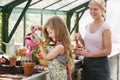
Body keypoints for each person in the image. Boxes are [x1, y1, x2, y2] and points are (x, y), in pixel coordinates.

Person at [74, 0, 112, 80]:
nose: (92, 11)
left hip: (100, 65)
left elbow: (108, 50)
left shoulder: (105, 28)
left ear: (102, 10)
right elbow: (88, 46)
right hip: (88, 64)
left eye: (95, 9)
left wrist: (88, 54)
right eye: (90, 9)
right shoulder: (88, 26)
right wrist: (80, 38)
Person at [38, 16, 74, 80]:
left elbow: (46, 57)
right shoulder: (60, 42)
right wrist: (38, 28)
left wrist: (40, 45)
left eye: (50, 33)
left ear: (58, 30)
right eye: (48, 33)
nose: (49, 35)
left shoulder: (59, 47)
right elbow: (49, 29)